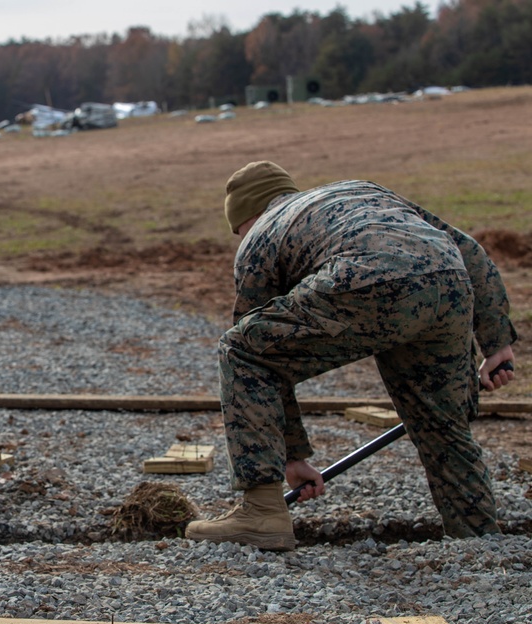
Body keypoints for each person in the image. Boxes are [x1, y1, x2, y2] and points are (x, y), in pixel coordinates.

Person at [186, 160, 516, 551]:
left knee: (240, 349)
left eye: (237, 229)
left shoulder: (259, 236)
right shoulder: (361, 191)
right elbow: (470, 252)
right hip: (448, 282)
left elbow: (260, 362)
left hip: (365, 278)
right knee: (441, 422)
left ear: (247, 215)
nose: (240, 236)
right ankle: (478, 538)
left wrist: (291, 458)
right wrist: (497, 344)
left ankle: (261, 512)